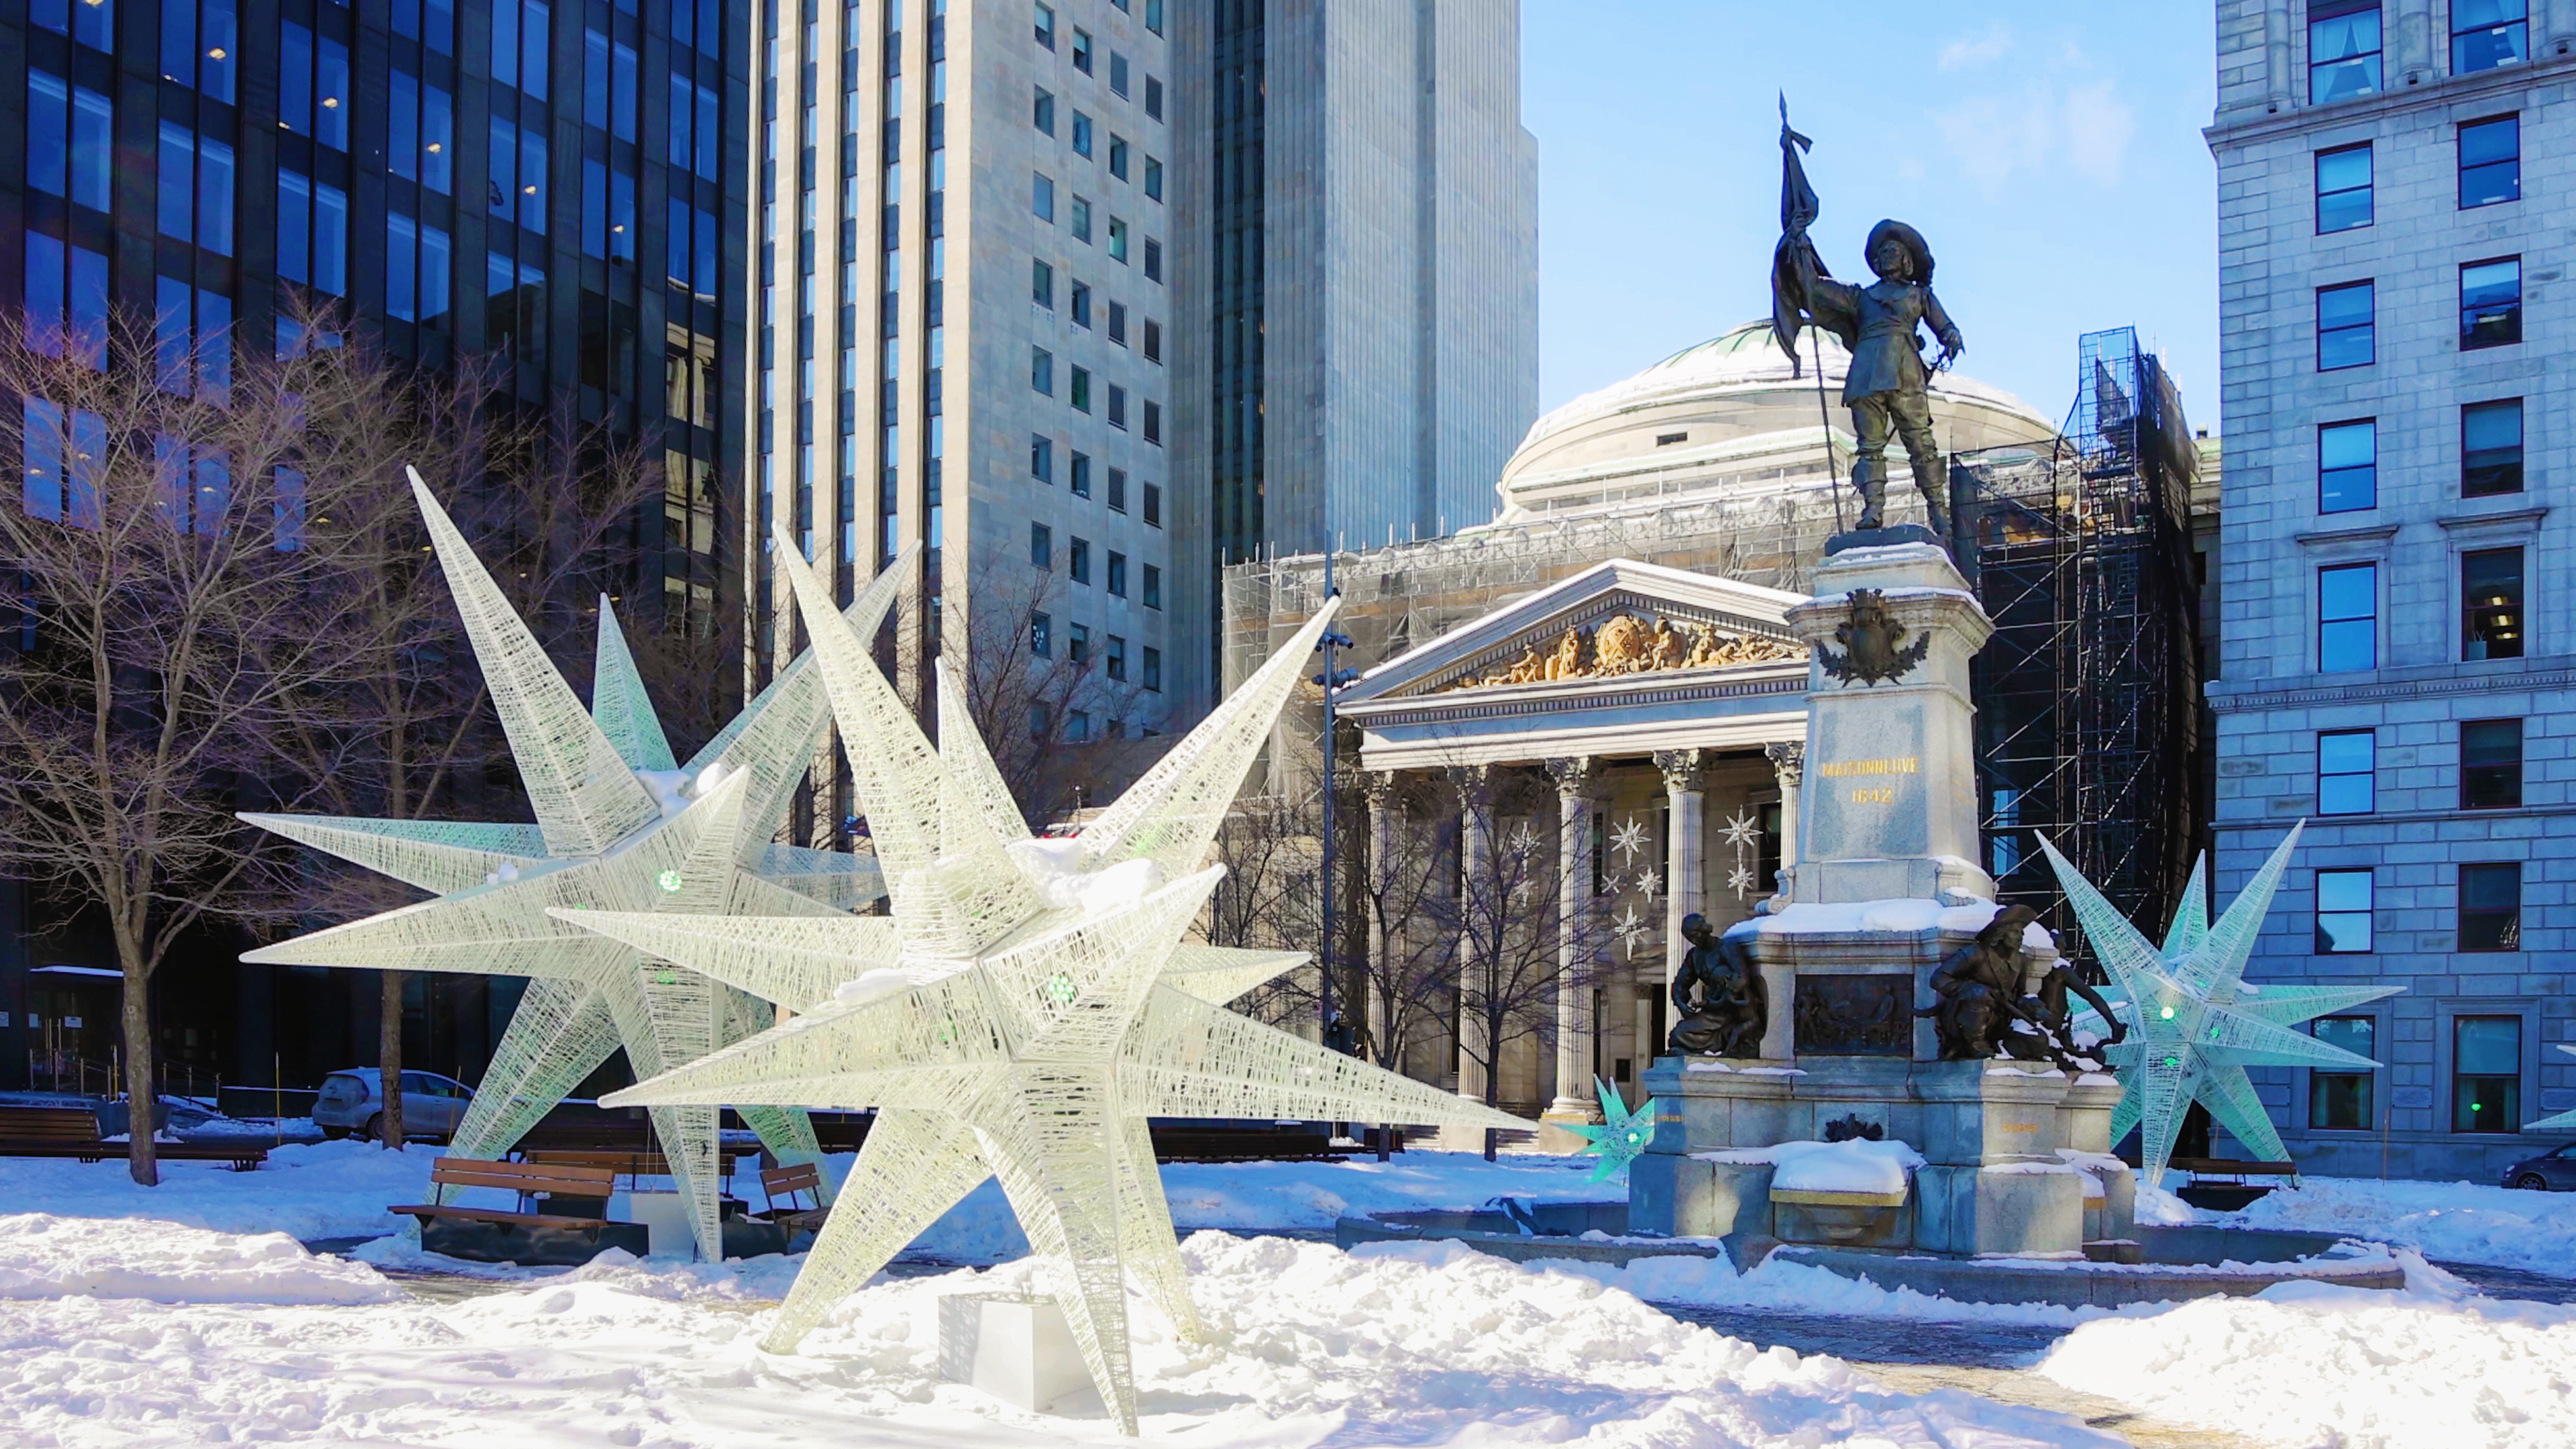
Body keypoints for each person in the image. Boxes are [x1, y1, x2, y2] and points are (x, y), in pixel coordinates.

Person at [1668, 914, 1768, 1058]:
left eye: (1696, 936)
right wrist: (1681, 1003)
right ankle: (1714, 1043)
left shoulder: (1726, 948)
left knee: (1680, 1035)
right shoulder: (1694, 955)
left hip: (1730, 1010)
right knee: (1677, 1035)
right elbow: (1680, 984)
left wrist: (1719, 998)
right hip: (1712, 1012)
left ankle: (1722, 1042)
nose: (1694, 941)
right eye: (1690, 939)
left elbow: (1742, 979)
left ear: (1705, 931)